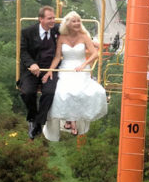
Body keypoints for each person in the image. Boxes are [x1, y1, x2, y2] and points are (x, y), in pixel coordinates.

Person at [42, 11, 108, 141]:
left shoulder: (84, 36)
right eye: (74, 21)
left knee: (81, 92)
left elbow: (95, 54)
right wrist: (50, 70)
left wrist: (84, 64)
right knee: (62, 93)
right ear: (68, 24)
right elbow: (57, 57)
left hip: (81, 68)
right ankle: (69, 120)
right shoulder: (61, 38)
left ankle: (72, 120)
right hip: (66, 68)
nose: (77, 23)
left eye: (79, 21)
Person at [18, 6, 60, 139]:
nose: (53, 21)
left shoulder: (57, 30)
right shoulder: (27, 32)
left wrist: (92, 42)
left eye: (54, 18)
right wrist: (32, 64)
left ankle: (38, 122)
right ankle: (32, 118)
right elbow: (23, 52)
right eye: (50, 18)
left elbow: (75, 32)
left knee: (49, 92)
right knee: (28, 92)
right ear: (41, 19)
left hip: (49, 69)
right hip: (32, 70)